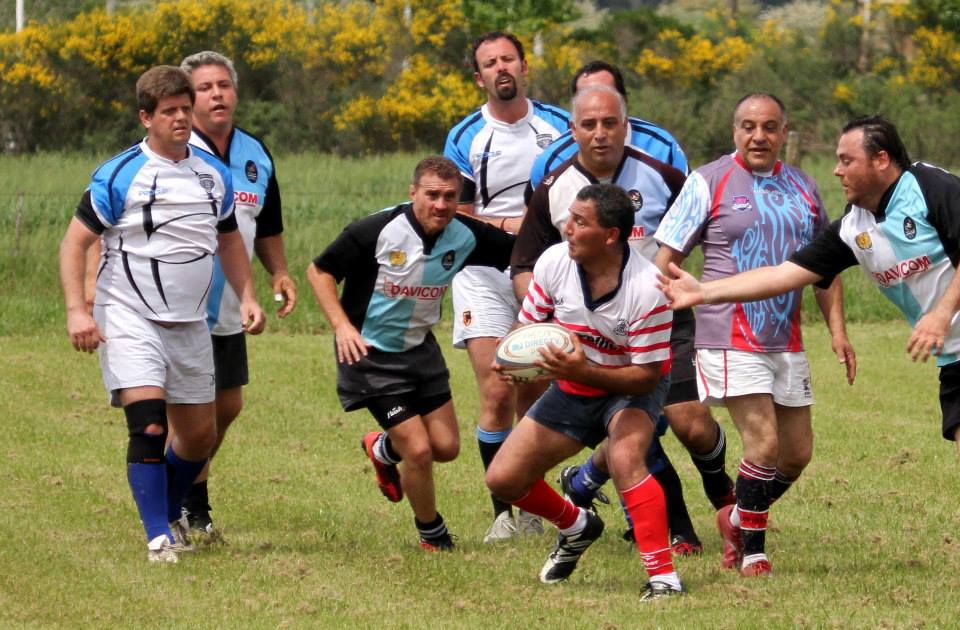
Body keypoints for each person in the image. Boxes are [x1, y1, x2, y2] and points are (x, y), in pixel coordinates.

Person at [521, 68, 738, 551]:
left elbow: (704, 225)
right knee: (634, 424)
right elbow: (526, 260)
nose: (600, 134)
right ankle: (679, 530)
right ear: (573, 128)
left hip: (660, 316)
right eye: (589, 124)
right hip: (592, 327)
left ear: (626, 124)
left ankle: (720, 492)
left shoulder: (661, 169)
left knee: (691, 423)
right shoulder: (551, 179)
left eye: (610, 123)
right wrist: (539, 325)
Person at [58, 65, 265, 563]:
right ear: (146, 117)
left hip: (190, 322)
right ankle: (158, 537)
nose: (179, 118)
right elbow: (74, 243)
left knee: (199, 437)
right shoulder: (119, 173)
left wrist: (249, 295)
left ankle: (170, 515)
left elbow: (230, 238)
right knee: (150, 425)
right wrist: (76, 311)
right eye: (168, 111)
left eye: (184, 109)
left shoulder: (213, 173)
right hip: (127, 315)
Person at [659, 114, 960, 452]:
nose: (836, 170)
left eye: (847, 160)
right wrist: (703, 292)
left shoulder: (930, 187)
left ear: (881, 159)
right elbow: (782, 274)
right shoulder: (853, 227)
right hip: (953, 357)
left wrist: (941, 313)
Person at [652, 93, 856, 577]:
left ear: (785, 133)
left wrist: (839, 331)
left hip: (785, 338)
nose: (758, 136)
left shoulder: (805, 187)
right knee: (762, 444)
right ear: (734, 131)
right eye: (748, 126)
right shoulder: (708, 181)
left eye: (768, 127)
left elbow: (823, 269)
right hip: (726, 332)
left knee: (796, 453)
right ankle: (754, 553)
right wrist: (660, 324)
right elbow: (665, 262)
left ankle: (737, 517)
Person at [486, 183, 685, 601]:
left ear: (610, 235)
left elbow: (647, 377)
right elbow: (529, 323)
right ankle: (577, 526)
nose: (567, 228)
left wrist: (584, 369)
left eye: (580, 222)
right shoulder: (555, 262)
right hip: (576, 382)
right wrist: (509, 355)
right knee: (503, 478)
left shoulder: (649, 289)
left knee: (626, 455)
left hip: (631, 385)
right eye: (569, 218)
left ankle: (664, 578)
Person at [307, 156, 515, 551]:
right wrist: (342, 326)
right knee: (418, 451)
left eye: (450, 197)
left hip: (420, 352)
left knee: (447, 449)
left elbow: (524, 252)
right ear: (413, 193)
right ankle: (432, 534)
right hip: (369, 355)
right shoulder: (376, 230)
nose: (440, 205)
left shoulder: (466, 234)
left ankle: (382, 448)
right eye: (432, 195)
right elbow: (320, 271)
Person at [443, 31, 570, 541]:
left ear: (524, 67)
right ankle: (503, 512)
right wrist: (513, 229)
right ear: (479, 77)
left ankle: (533, 502)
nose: (501, 68)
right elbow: (460, 214)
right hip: (481, 273)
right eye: (490, 63)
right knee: (497, 387)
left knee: (535, 390)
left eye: (508, 60)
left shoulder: (559, 127)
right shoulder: (466, 135)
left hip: (543, 272)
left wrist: (534, 234)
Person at [177, 51, 296, 541]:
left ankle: (183, 495)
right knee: (194, 418)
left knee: (226, 410)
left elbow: (265, 224)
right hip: (183, 305)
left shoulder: (255, 152)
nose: (217, 95)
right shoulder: (176, 151)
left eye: (223, 85)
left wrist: (279, 274)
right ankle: (189, 507)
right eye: (204, 88)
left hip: (233, 305)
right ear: (188, 99)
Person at [527, 60, 688, 194]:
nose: (597, 101)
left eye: (606, 93)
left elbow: (690, 215)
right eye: (587, 95)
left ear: (624, 100)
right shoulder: (551, 161)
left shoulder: (663, 148)